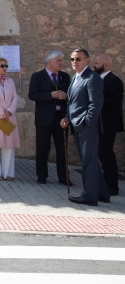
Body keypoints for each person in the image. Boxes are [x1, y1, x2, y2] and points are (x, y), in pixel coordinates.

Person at [60, 49, 109, 206]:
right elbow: (71, 102)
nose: (75, 62)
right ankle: (102, 193)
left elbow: (96, 103)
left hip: (87, 126)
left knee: (89, 161)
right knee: (89, 160)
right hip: (77, 125)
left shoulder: (92, 78)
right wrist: (67, 117)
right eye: (72, 59)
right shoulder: (75, 78)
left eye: (78, 59)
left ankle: (89, 196)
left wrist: (87, 121)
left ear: (87, 60)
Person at [27, 50, 71, 185]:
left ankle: (64, 177)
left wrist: (66, 96)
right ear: (49, 61)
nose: (61, 63)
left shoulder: (65, 76)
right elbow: (32, 95)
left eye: (62, 61)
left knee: (62, 147)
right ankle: (42, 176)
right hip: (44, 118)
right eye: (59, 61)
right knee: (42, 147)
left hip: (61, 118)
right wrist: (50, 95)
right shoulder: (38, 76)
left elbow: (72, 94)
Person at [92, 54, 124, 196]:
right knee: (100, 153)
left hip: (108, 124)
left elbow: (116, 100)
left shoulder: (114, 81)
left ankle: (112, 186)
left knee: (106, 153)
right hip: (97, 123)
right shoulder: (95, 79)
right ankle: (103, 182)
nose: (94, 65)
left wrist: (97, 102)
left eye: (97, 63)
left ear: (106, 65)